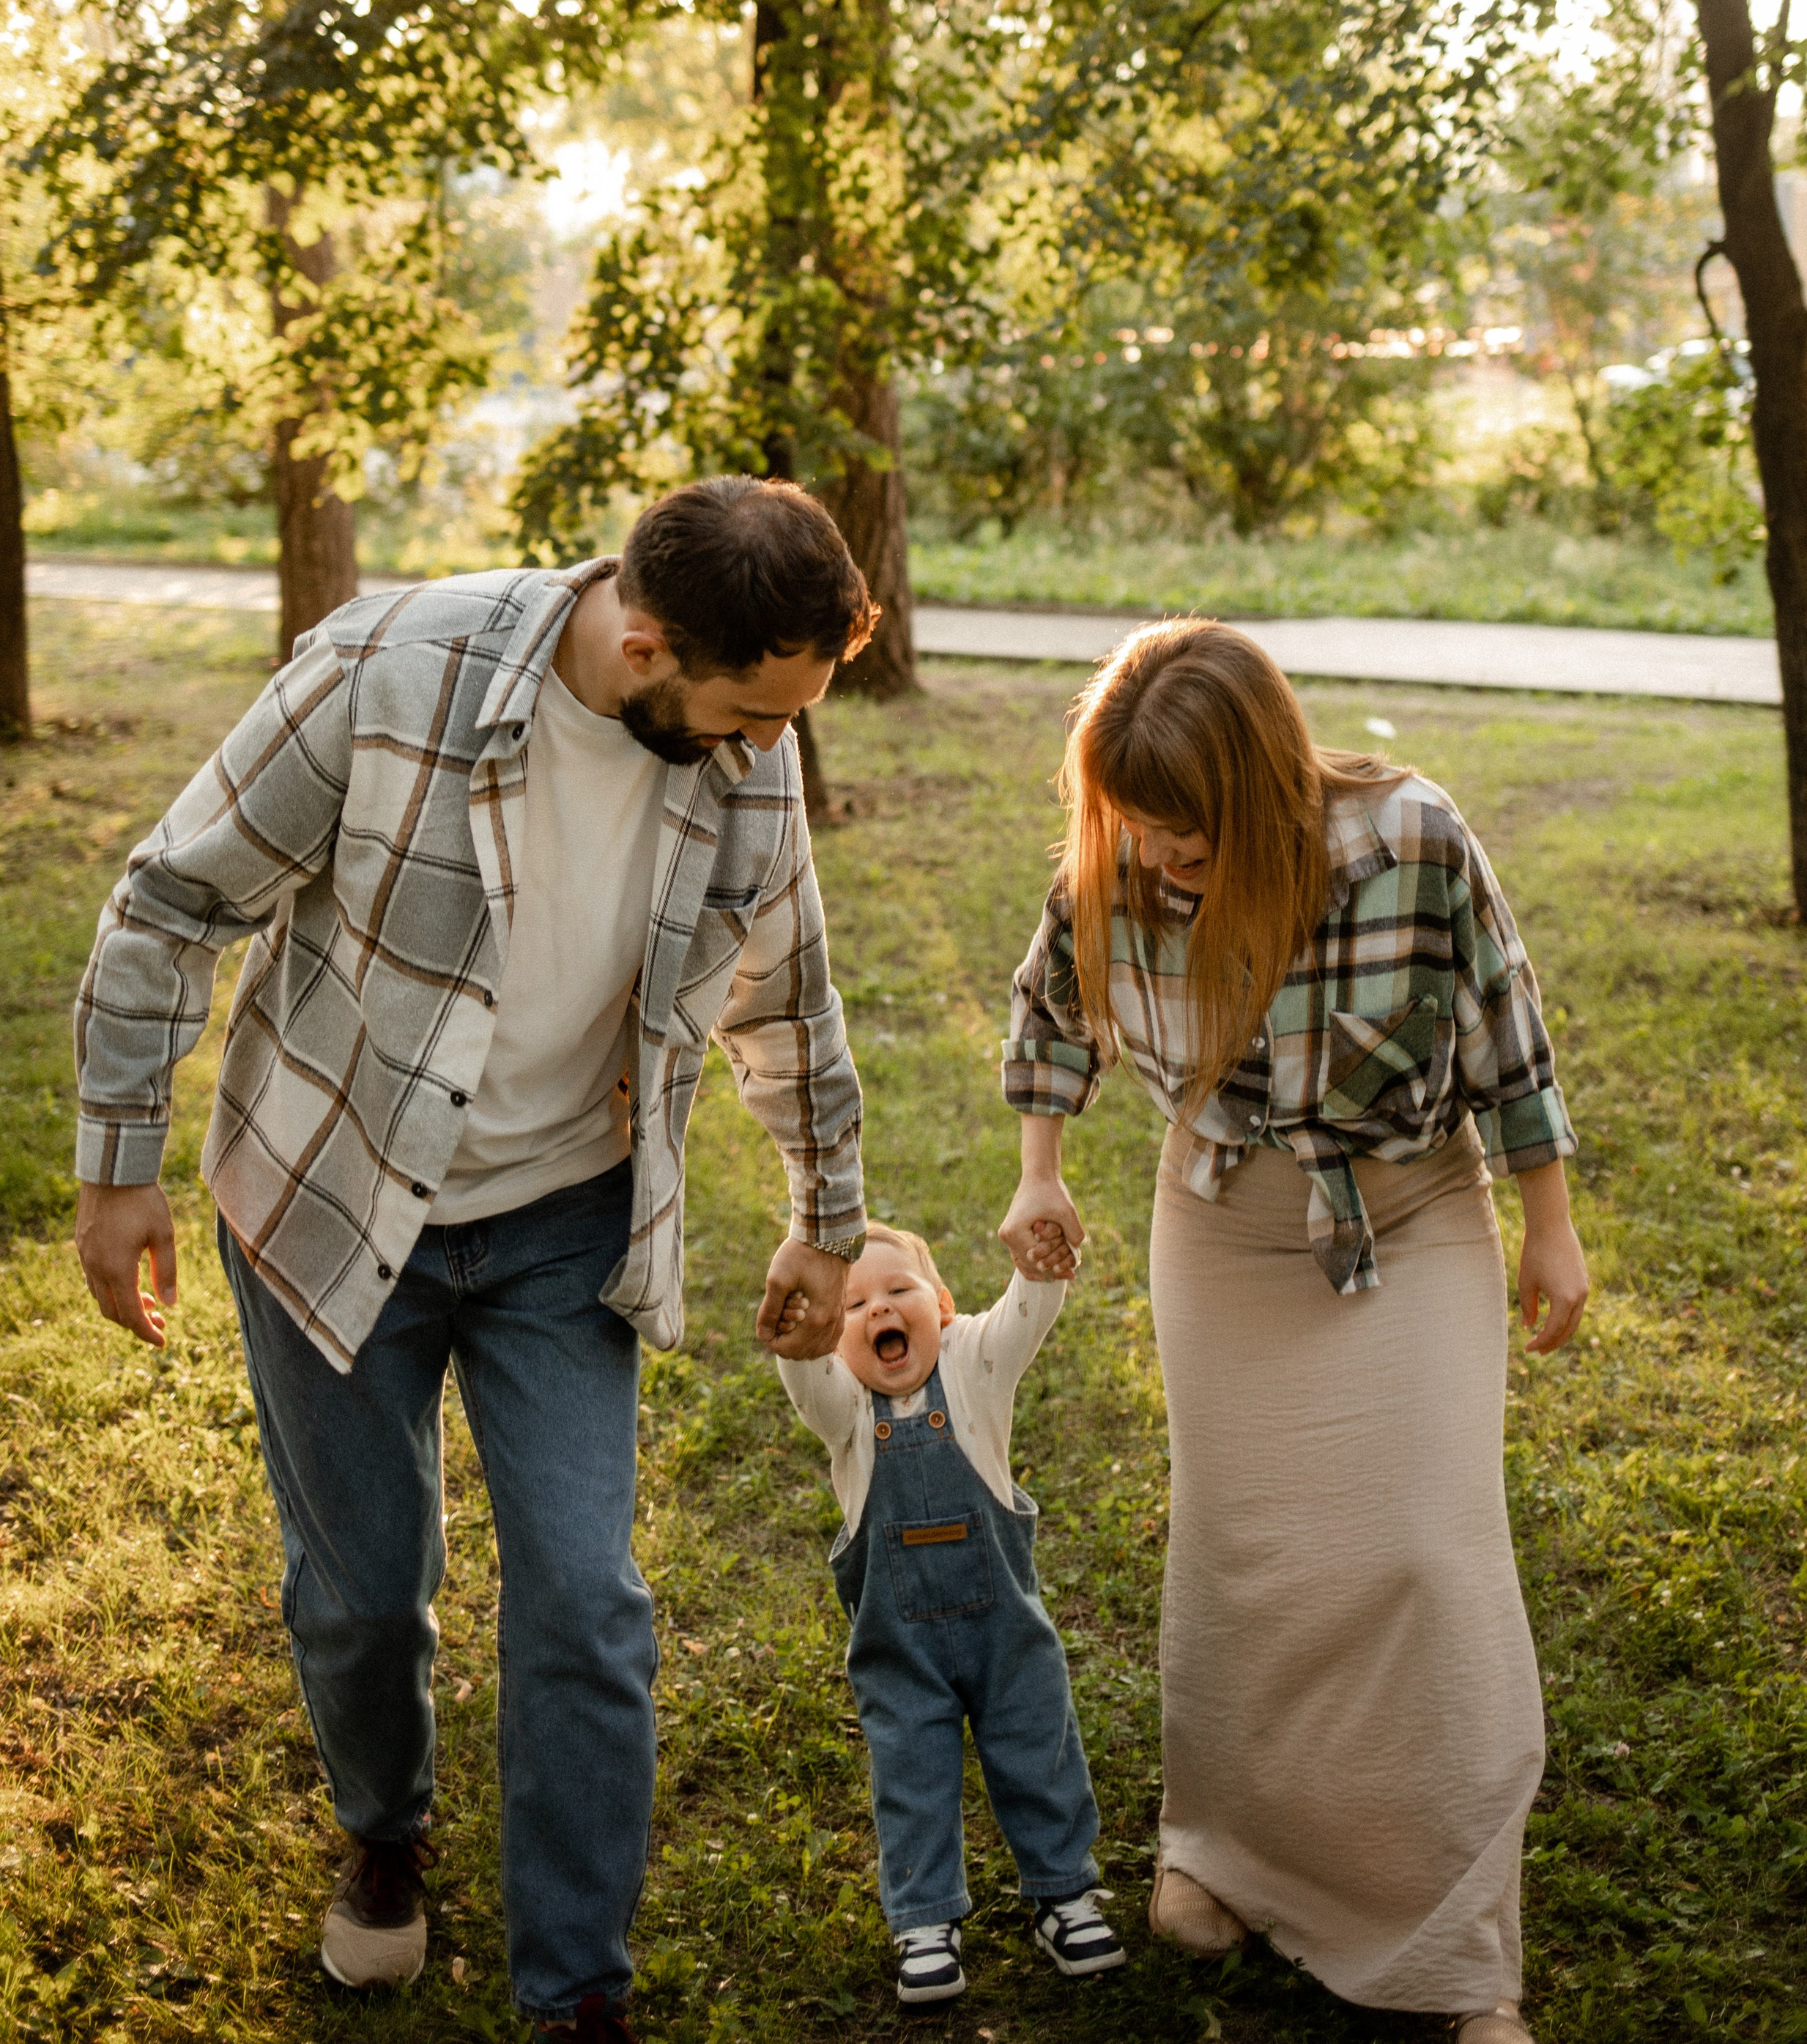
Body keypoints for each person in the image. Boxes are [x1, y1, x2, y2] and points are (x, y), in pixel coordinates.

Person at [70, 476, 881, 2044]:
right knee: (365, 1595)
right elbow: (172, 901)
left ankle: (574, 1987)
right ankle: (385, 1833)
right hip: (330, 1190)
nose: (772, 749)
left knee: (585, 1602)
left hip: (566, 1222)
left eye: (794, 715)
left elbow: (787, 995)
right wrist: (117, 1172)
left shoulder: (747, 755)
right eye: (746, 713)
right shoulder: (392, 674)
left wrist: (826, 1213)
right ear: (643, 643)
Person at [997, 621, 1588, 2044]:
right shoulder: (1118, 852)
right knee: (1246, 1557)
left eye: (1187, 831)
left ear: (1265, 785)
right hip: (1221, 1220)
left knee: (1425, 1557)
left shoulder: (1410, 838)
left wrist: (1549, 1223)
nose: (1158, 857)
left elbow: (1505, 1030)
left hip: (1412, 1214)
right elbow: (1050, 1010)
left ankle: (1459, 1954)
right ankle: (1222, 1853)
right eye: (1137, 827)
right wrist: (1038, 1171)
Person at [775, 1221, 1125, 2007]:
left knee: (1039, 1751)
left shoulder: (974, 1369)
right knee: (912, 1779)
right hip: (901, 1655)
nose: (878, 1311)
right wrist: (800, 1337)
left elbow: (1024, 1315)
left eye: (899, 1292)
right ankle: (925, 1920)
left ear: (941, 1307)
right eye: (855, 1305)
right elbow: (808, 1380)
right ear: (839, 1338)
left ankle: (1064, 1895)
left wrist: (1038, 1267)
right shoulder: (847, 1412)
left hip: (1008, 1640)